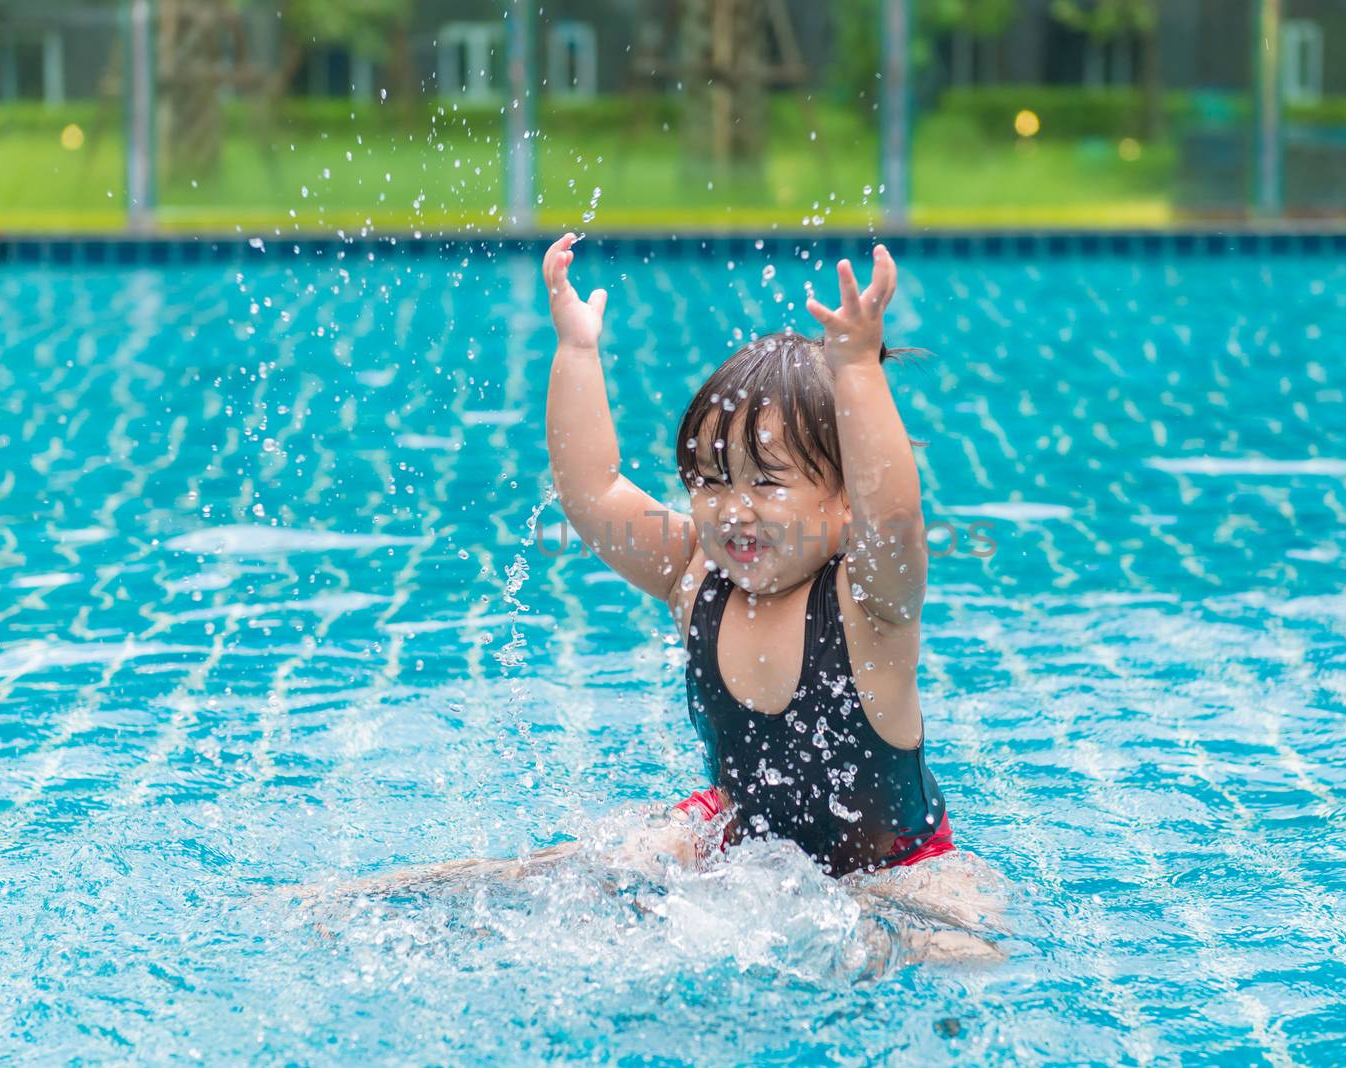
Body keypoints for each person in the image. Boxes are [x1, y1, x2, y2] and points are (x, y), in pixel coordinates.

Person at [307, 234, 1004, 968]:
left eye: (766, 483)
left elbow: (893, 519)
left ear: (839, 501)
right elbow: (595, 491)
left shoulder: (869, 607)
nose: (732, 509)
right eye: (708, 480)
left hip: (894, 867)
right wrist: (576, 352)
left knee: (965, 945)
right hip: (744, 840)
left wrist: (858, 369)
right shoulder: (694, 575)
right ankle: (380, 899)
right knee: (576, 872)